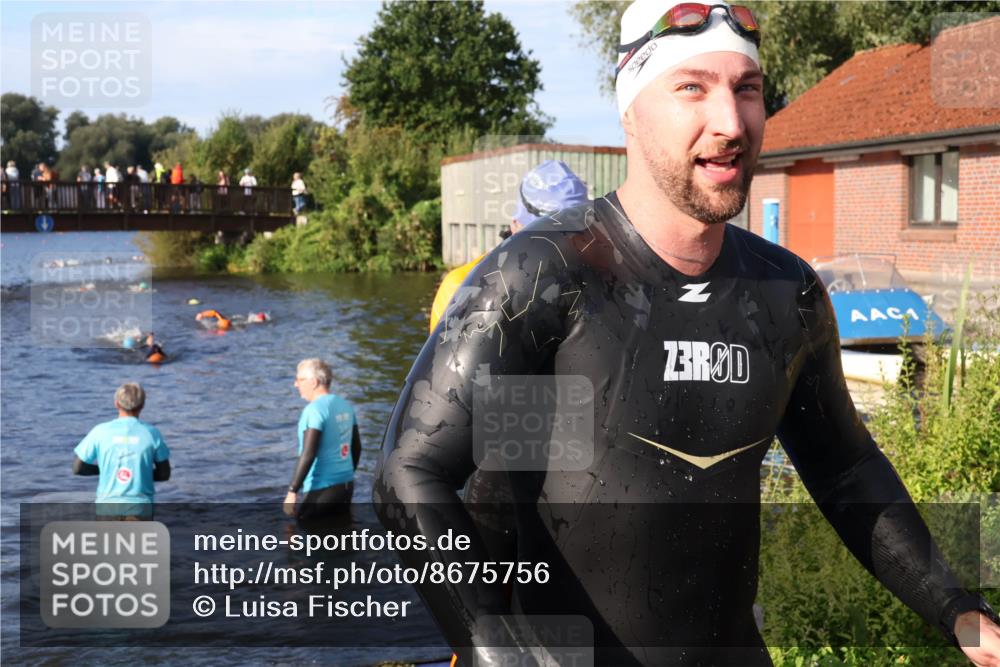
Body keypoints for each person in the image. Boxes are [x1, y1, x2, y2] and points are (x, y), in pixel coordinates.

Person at [374, 2, 1000, 666]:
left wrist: (958, 609)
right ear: (631, 111)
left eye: (747, 89)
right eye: (692, 88)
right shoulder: (544, 274)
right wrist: (491, 646)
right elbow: (410, 471)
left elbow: (845, 470)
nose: (730, 123)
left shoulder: (785, 292)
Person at [429, 160, 590, 333]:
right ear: (515, 225)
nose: (559, 250)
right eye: (544, 238)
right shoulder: (459, 287)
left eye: (571, 237)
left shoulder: (595, 284)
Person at [72, 382, 171, 519]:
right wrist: (140, 473)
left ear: (117, 404)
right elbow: (164, 474)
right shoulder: (152, 433)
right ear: (142, 405)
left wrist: (106, 470)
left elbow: (77, 468)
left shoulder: (100, 431)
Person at [284, 359, 360, 520]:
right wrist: (346, 474)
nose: (296, 384)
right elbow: (357, 447)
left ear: (313, 382)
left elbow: (308, 453)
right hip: (346, 486)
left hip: (321, 490)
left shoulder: (314, 410)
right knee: (340, 531)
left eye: (299, 379)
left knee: (304, 529)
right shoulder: (345, 405)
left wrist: (292, 491)